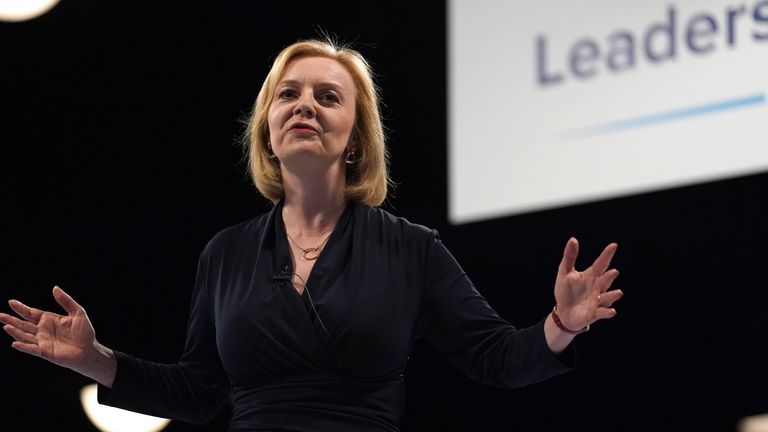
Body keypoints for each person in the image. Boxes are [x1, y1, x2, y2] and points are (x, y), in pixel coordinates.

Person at [0, 37, 623, 432]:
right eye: (287, 95)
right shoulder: (226, 253)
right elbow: (197, 394)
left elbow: (497, 359)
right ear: (268, 126)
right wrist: (94, 359)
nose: (304, 105)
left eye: (328, 96)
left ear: (354, 138)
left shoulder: (411, 249)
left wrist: (561, 323)